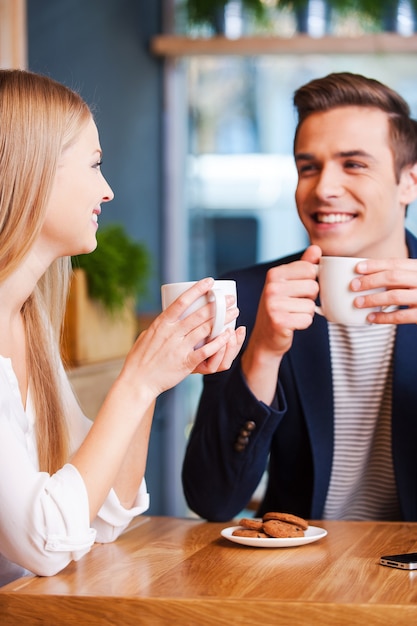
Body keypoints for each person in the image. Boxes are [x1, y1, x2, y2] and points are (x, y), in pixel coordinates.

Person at [0, 69, 245, 587]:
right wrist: (136, 380)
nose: (107, 191)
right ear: (32, 171)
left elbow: (105, 515)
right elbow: (46, 544)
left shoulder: (28, 325)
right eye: (94, 164)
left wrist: (156, 376)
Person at [182, 71, 417, 523]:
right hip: (297, 579)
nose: (323, 188)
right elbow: (212, 499)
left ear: (408, 181)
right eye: (308, 166)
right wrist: (263, 353)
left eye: (354, 164)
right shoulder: (247, 297)